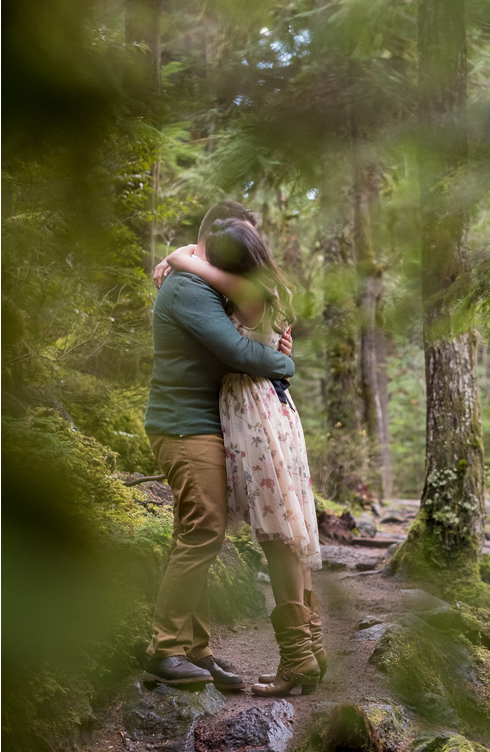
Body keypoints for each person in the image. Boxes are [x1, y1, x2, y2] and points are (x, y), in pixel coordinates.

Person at [161, 217, 324, 697]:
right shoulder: (269, 286)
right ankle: (311, 650)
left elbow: (186, 261)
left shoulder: (238, 289)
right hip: (276, 410)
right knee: (287, 530)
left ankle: (297, 661)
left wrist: (176, 256)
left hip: (253, 413)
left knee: (277, 532)